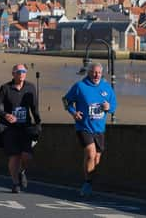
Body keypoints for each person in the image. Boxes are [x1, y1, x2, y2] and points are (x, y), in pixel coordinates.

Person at [62, 62, 117, 197]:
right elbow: (66, 100)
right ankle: (87, 183)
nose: (96, 75)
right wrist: (74, 112)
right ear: (89, 72)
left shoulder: (106, 88)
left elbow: (114, 106)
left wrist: (108, 107)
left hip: (99, 128)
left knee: (96, 158)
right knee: (91, 153)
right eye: (94, 72)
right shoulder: (80, 86)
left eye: (99, 72)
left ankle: (90, 180)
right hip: (83, 126)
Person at [0, 64, 41, 193]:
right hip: (10, 128)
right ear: (13, 74)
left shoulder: (30, 88)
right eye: (18, 72)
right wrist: (5, 115)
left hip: (26, 127)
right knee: (14, 157)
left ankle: (22, 171)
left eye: (23, 71)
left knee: (27, 156)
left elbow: (34, 108)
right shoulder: (5, 88)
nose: (21, 74)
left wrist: (38, 123)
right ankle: (15, 183)